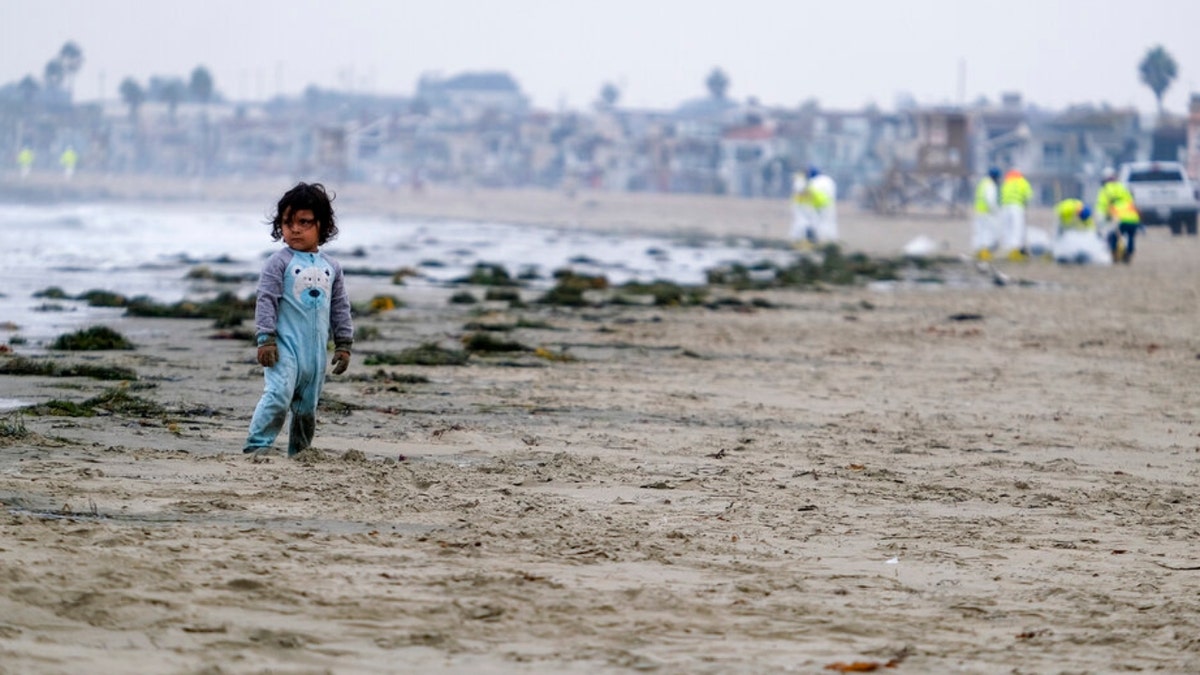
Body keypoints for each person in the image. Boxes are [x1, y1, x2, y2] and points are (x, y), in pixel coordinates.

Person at [244, 182, 354, 458]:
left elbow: (340, 306)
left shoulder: (332, 267)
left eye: (304, 222)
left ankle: (301, 453)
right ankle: (258, 445)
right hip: (284, 347)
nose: (294, 229)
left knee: (307, 407)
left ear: (323, 225)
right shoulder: (278, 263)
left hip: (315, 353)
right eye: (287, 222)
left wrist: (344, 343)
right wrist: (265, 338)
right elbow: (266, 299)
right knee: (278, 395)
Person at [1094, 170, 1141, 263]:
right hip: (1133, 216)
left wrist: (1101, 217)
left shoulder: (1105, 189)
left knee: (1114, 236)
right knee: (1130, 237)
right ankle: (1129, 253)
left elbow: (1102, 205)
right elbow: (1131, 201)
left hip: (1118, 216)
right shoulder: (1122, 187)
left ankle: (1114, 254)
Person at [789, 166, 837, 247]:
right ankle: (825, 241)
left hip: (814, 204)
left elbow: (805, 193)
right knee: (821, 223)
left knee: (808, 223)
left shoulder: (810, 181)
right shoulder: (824, 180)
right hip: (820, 204)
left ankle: (804, 240)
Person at [1051, 198, 1110, 265]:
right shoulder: (1068, 207)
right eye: (1081, 217)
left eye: (1083, 218)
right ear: (1079, 212)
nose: (1081, 219)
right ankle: (1055, 250)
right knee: (1059, 236)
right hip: (1062, 221)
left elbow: (1090, 227)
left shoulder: (1086, 218)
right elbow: (1058, 212)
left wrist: (1096, 234)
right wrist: (1064, 227)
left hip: (1070, 224)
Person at [999, 168, 1033, 260]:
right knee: (1017, 228)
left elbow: (1001, 195)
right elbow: (1028, 195)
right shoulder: (1022, 182)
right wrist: (1025, 204)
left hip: (1005, 207)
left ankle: (1009, 249)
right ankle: (1016, 250)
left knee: (1008, 229)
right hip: (1017, 207)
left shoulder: (1006, 182)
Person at [971, 167, 1002, 260]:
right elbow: (990, 200)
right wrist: (995, 211)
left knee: (979, 232)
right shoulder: (990, 185)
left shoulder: (983, 183)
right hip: (987, 212)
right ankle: (985, 252)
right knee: (987, 232)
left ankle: (979, 251)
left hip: (979, 211)